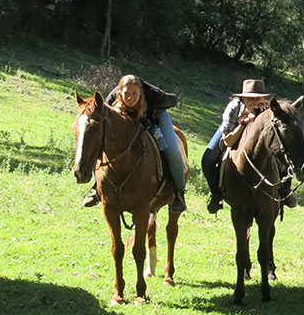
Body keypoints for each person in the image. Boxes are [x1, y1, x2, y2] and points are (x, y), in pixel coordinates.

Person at [82, 75, 187, 213]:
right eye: (126, 94)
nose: (130, 98)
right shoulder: (112, 98)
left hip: (156, 116)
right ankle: (97, 188)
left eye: (134, 94)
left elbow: (173, 100)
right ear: (120, 93)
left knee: (172, 151)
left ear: (141, 93)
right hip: (127, 118)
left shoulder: (153, 95)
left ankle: (178, 192)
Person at [201, 79, 281, 214]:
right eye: (251, 99)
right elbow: (228, 141)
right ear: (243, 98)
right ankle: (215, 194)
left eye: (258, 98)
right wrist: (244, 122)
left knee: (282, 157)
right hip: (233, 130)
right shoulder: (234, 107)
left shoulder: (269, 109)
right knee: (208, 160)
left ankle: (285, 191)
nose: (255, 102)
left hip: (260, 143)